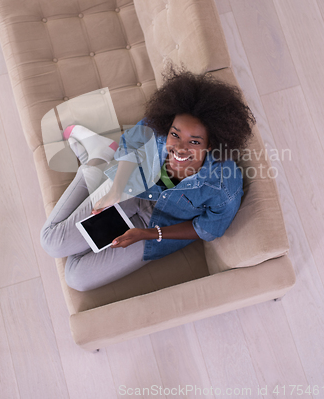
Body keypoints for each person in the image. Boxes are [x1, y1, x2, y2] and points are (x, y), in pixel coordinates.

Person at [40, 65, 256, 291]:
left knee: (76, 278)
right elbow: (131, 143)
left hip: (157, 227)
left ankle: (99, 159)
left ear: (210, 144)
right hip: (130, 188)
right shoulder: (160, 127)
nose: (180, 149)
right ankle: (98, 159)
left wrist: (149, 234)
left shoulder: (224, 186)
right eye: (175, 135)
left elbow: (207, 229)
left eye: (194, 141)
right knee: (52, 243)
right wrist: (115, 190)